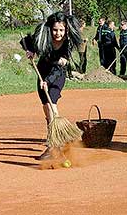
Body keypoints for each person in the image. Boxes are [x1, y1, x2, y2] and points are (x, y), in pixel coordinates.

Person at [21, 12, 82, 160]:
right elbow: (25, 41)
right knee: (47, 110)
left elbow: (58, 69)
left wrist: (48, 81)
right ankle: (53, 141)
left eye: (61, 30)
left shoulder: (67, 44)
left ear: (66, 30)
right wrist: (30, 51)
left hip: (56, 76)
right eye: (55, 30)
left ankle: (55, 144)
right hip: (41, 73)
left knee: (51, 105)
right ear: (50, 28)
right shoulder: (44, 35)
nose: (58, 33)